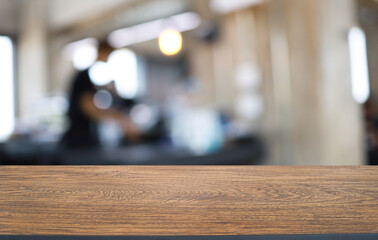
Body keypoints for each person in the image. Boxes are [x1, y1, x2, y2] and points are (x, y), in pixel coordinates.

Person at [61, 41, 140, 149]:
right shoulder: (83, 76)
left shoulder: (89, 78)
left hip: (84, 138)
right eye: (109, 54)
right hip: (78, 140)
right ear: (102, 52)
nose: (108, 59)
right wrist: (121, 119)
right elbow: (89, 108)